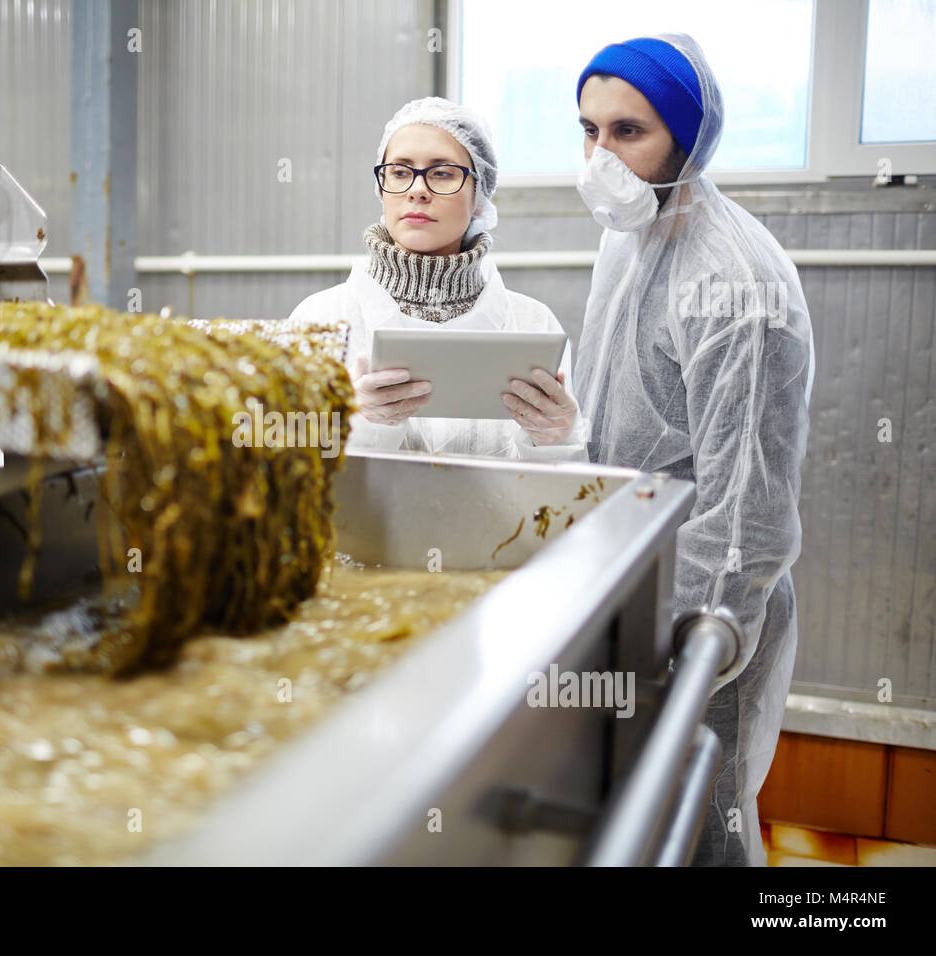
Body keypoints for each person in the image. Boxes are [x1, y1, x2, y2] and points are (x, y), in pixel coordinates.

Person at [572, 34, 815, 865]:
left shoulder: (735, 284)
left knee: (705, 823)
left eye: (628, 131)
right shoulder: (630, 237)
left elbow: (749, 514)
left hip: (706, 608)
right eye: (589, 130)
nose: (600, 157)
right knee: (642, 823)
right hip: (634, 585)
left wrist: (698, 641)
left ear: (687, 138)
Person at [289, 97, 587, 460]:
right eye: (400, 172)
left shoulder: (532, 324)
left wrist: (555, 440)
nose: (417, 189)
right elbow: (282, 467)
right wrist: (354, 423)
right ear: (382, 189)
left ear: (479, 195)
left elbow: (563, 486)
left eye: (442, 173)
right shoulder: (319, 319)